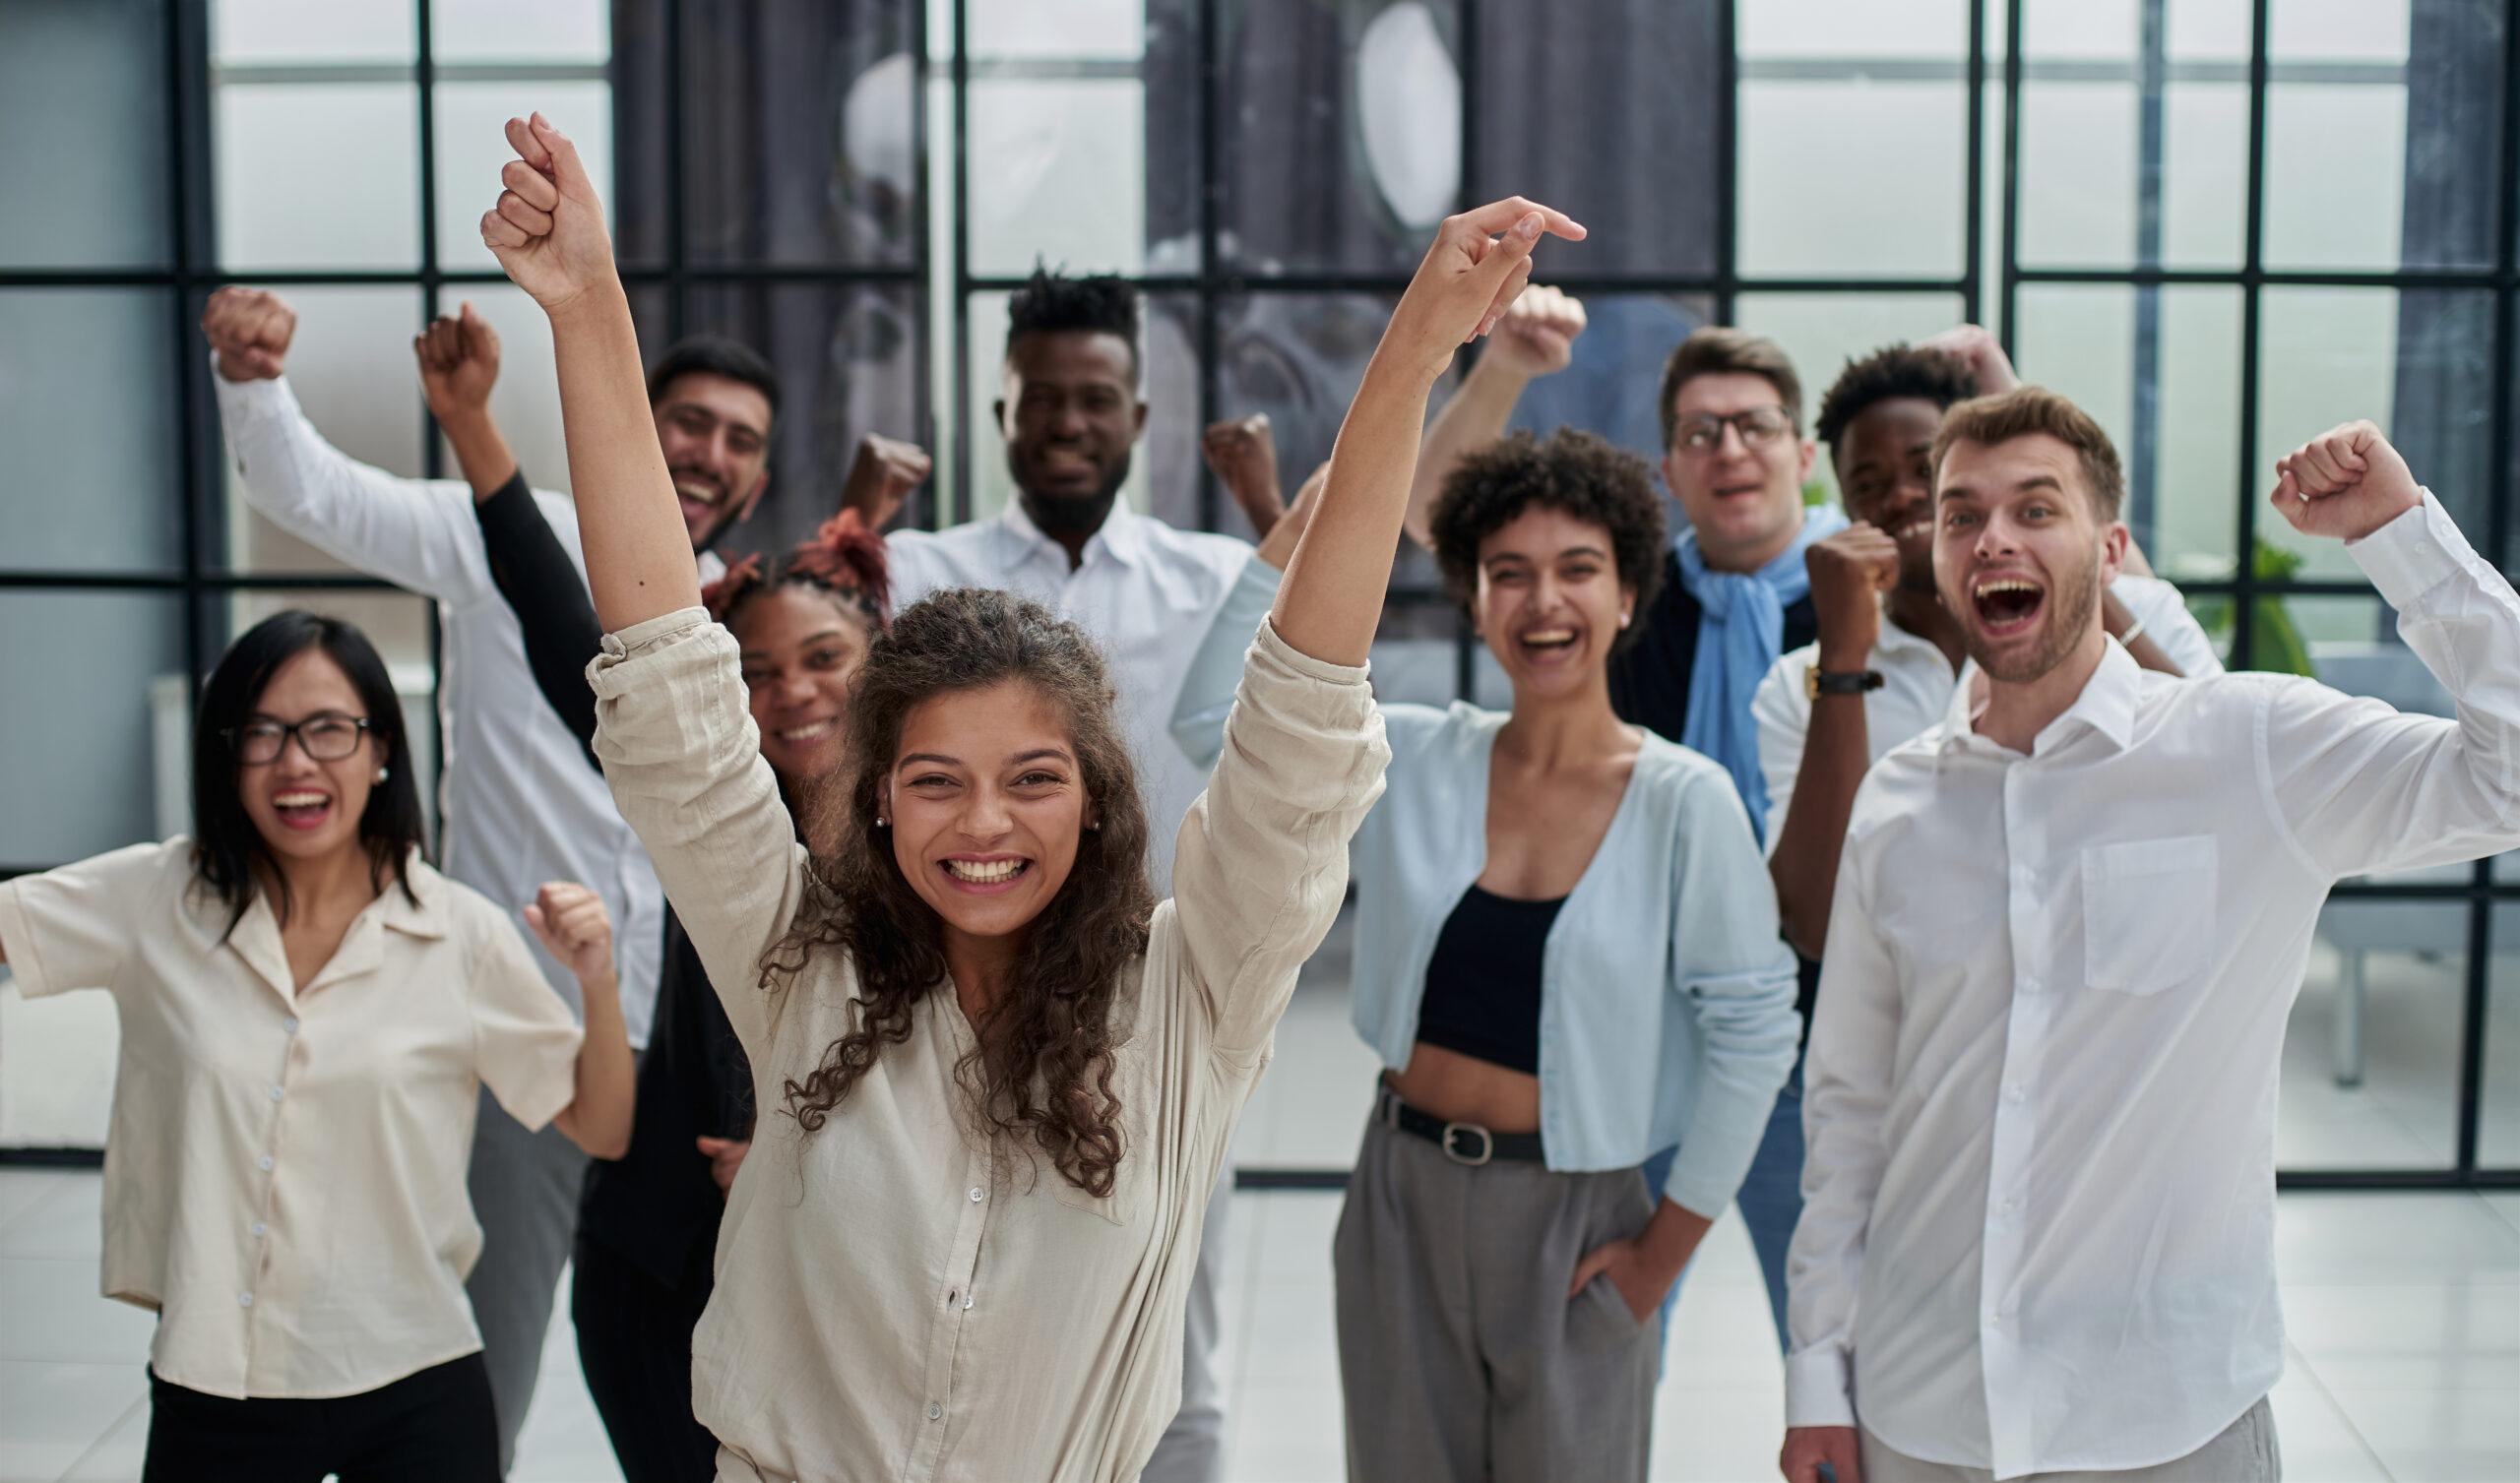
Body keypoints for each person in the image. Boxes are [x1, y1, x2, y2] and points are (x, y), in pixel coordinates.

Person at [477, 107, 1580, 1481]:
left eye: (1033, 779)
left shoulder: (1184, 1002)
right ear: (876, 801)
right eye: (935, 780)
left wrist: (1419, 349)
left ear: (1100, 801)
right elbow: (669, 674)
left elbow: (1300, 702)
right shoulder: (799, 974)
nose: (984, 822)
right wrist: (587, 315)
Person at [1780, 392, 2520, 1483]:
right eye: (1961, 515)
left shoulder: (2249, 747)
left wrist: (2394, 530)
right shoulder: (1896, 805)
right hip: (1920, 1408)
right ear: (1935, 558)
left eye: (2037, 508)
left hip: (2167, 1418)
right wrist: (1814, 1375)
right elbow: (1850, 1106)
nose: (1994, 537)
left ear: (2111, 548)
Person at [200, 288, 780, 1466]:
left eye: (741, 438)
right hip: (519, 1045)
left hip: (675, 1082)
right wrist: (254, 379)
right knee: (473, 1377)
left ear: (763, 473)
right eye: (686, 421)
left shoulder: (755, 620)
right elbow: (307, 493)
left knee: (692, 1385)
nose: (707, 454)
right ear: (625, 419)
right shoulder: (501, 533)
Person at [1171, 425, 1800, 1481]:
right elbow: (1208, 721)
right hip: (1398, 1194)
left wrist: (1660, 1256)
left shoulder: (1683, 802)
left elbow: (1752, 1035)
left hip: (1580, 1217)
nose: (1541, 602)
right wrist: (1313, 511)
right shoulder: (1411, 753)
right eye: (1508, 574)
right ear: (1472, 599)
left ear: (1626, 596)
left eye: (1576, 571)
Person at [0, 610, 634, 1483]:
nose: (295, 761)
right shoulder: (155, 897)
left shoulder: (458, 932)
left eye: (328, 729)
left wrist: (596, 979)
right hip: (219, 1374)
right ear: (228, 756)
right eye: (261, 732)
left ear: (381, 750)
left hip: (416, 1371)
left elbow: (600, 1126)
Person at [831, 272, 1264, 1479]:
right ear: (1002, 411)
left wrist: (1281, 514)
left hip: (1146, 996)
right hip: (943, 981)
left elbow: (1288, 715)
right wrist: (855, 517)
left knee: (1170, 1311)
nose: (1067, 422)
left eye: (1096, 398)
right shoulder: (917, 567)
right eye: (1041, 400)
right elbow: (815, 685)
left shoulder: (1213, 575)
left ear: (1137, 416)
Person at [1404, 293, 1843, 1345]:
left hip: (1826, 1052)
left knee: (1843, 1365)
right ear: (1670, 466)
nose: (1729, 450)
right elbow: (1431, 513)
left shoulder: (1870, 600)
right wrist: (1503, 365)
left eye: (1754, 426)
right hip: (1636, 1039)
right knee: (1599, 1342)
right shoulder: (1631, 595)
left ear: (1804, 451)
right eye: (1699, 433)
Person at [471, 483, 891, 1481]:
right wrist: (486, 457)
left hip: (842, 1273)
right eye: (756, 672)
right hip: (659, 1267)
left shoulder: (938, 836)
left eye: (823, 659)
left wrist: (810, 1153)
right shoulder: (712, 816)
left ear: (881, 665)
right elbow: (579, 641)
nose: (790, 690)